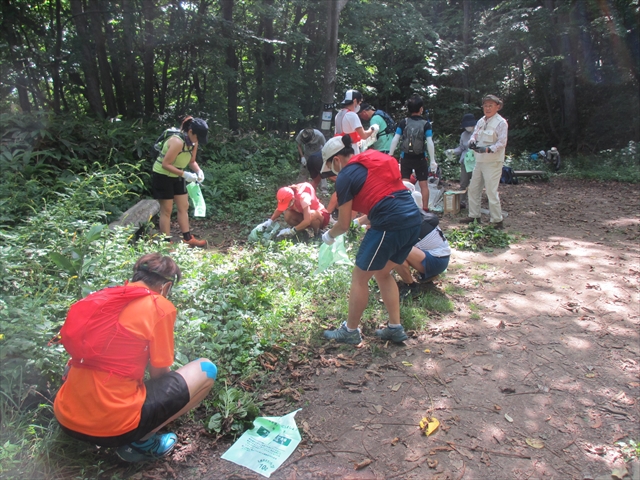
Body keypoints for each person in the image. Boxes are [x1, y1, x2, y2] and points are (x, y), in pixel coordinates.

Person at [54, 253, 216, 462]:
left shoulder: (102, 297)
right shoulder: (158, 306)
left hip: (65, 416)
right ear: (166, 287)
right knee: (207, 369)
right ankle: (142, 442)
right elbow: (159, 373)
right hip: (115, 427)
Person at [320, 135, 422, 344]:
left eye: (331, 166)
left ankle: (350, 331)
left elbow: (344, 223)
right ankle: (395, 327)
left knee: (359, 277)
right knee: (382, 272)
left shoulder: (345, 176)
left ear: (337, 160)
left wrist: (328, 235)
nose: (332, 171)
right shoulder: (369, 160)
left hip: (390, 223)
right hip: (413, 218)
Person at [152, 116, 208, 247]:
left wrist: (199, 171)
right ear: (190, 132)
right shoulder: (177, 141)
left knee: (184, 206)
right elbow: (166, 164)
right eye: (198, 137)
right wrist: (185, 174)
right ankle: (166, 243)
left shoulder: (194, 142)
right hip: (162, 175)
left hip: (179, 175)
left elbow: (192, 161)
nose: (198, 141)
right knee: (167, 210)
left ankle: (188, 238)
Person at [461, 95, 508, 229]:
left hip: (493, 162)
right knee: (473, 188)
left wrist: (488, 149)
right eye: (485, 105)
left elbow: (502, 142)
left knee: (491, 191)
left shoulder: (501, 122)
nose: (487, 108)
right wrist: (472, 142)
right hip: (479, 160)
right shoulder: (481, 121)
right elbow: (475, 134)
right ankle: (474, 216)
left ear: (497, 106)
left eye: (490, 105)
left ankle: (497, 220)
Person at [389, 94, 437, 212]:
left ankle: (404, 207)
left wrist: (390, 154)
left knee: (405, 182)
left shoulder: (403, 122)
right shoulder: (426, 124)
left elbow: (395, 138)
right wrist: (433, 160)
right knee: (423, 184)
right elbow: (430, 142)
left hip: (405, 157)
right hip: (420, 158)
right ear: (421, 109)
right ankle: (425, 209)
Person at [394, 213, 451, 298]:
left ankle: (411, 287)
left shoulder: (403, 223)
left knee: (395, 251)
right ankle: (426, 276)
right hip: (441, 257)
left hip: (437, 260)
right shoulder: (412, 214)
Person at [257, 182, 330, 237]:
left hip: (320, 217)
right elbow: (279, 209)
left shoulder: (303, 198)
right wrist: (270, 221)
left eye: (287, 203)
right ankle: (301, 232)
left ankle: (318, 233)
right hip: (304, 215)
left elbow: (307, 220)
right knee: (288, 215)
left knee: (311, 214)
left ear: (292, 199)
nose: (287, 206)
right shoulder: (289, 196)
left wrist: (292, 231)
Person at [445, 113, 477, 209]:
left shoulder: (478, 133)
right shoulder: (463, 135)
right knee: (463, 183)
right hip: (465, 162)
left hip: (476, 161)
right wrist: (452, 151)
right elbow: (461, 148)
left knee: (476, 183)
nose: (468, 127)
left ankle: (474, 203)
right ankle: (462, 202)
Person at [334, 89, 376, 155]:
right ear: (355, 101)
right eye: (359, 102)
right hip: (351, 151)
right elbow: (364, 136)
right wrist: (372, 129)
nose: (359, 105)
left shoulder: (338, 114)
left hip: (339, 150)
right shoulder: (352, 115)